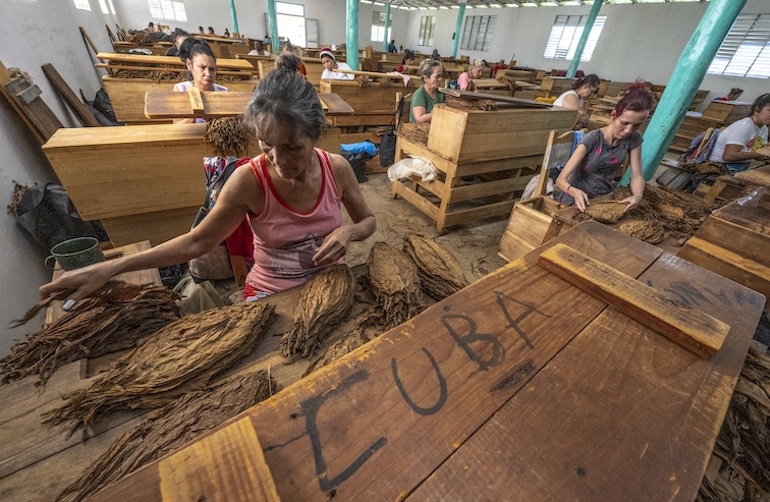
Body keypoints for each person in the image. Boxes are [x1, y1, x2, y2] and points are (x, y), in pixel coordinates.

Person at [39, 68, 377, 306]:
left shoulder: (337, 169)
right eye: (266, 144)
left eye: (292, 147)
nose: (278, 159)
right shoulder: (249, 181)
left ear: (316, 135)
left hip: (332, 283)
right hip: (273, 291)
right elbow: (198, 241)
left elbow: (368, 221)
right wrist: (111, 266)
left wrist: (348, 234)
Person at [553, 82, 656, 213]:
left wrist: (637, 196)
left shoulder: (634, 138)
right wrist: (573, 191)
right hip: (577, 200)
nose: (628, 130)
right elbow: (560, 180)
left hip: (604, 199)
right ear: (613, 115)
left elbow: (636, 176)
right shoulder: (593, 139)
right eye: (624, 123)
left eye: (636, 125)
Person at [709, 93, 770, 173]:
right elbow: (729, 156)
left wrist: (765, 155)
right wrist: (761, 154)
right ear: (757, 110)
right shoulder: (744, 126)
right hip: (722, 166)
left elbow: (760, 154)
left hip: (740, 164)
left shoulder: (764, 128)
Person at [172, 39, 227, 123]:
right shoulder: (181, 90)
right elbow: (176, 126)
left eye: (212, 69)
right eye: (202, 67)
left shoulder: (223, 92)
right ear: (189, 65)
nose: (208, 74)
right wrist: (196, 115)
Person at [409, 59, 445, 123]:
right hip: (419, 130)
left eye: (441, 76)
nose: (440, 79)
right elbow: (419, 118)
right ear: (426, 78)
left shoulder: (440, 93)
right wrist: (441, 113)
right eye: (437, 76)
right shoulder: (419, 95)